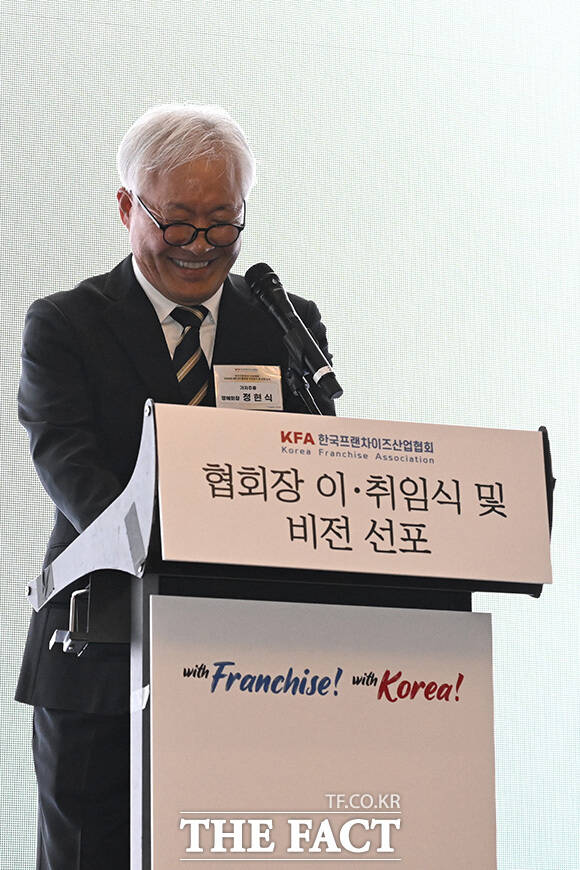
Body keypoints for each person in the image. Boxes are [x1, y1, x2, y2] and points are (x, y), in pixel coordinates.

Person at [16, 103, 335, 870]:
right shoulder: (65, 324)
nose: (200, 246)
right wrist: (193, 548)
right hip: (102, 654)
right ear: (128, 207)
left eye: (222, 223)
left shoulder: (285, 325)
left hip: (252, 665)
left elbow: (313, 477)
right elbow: (75, 475)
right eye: (180, 223)